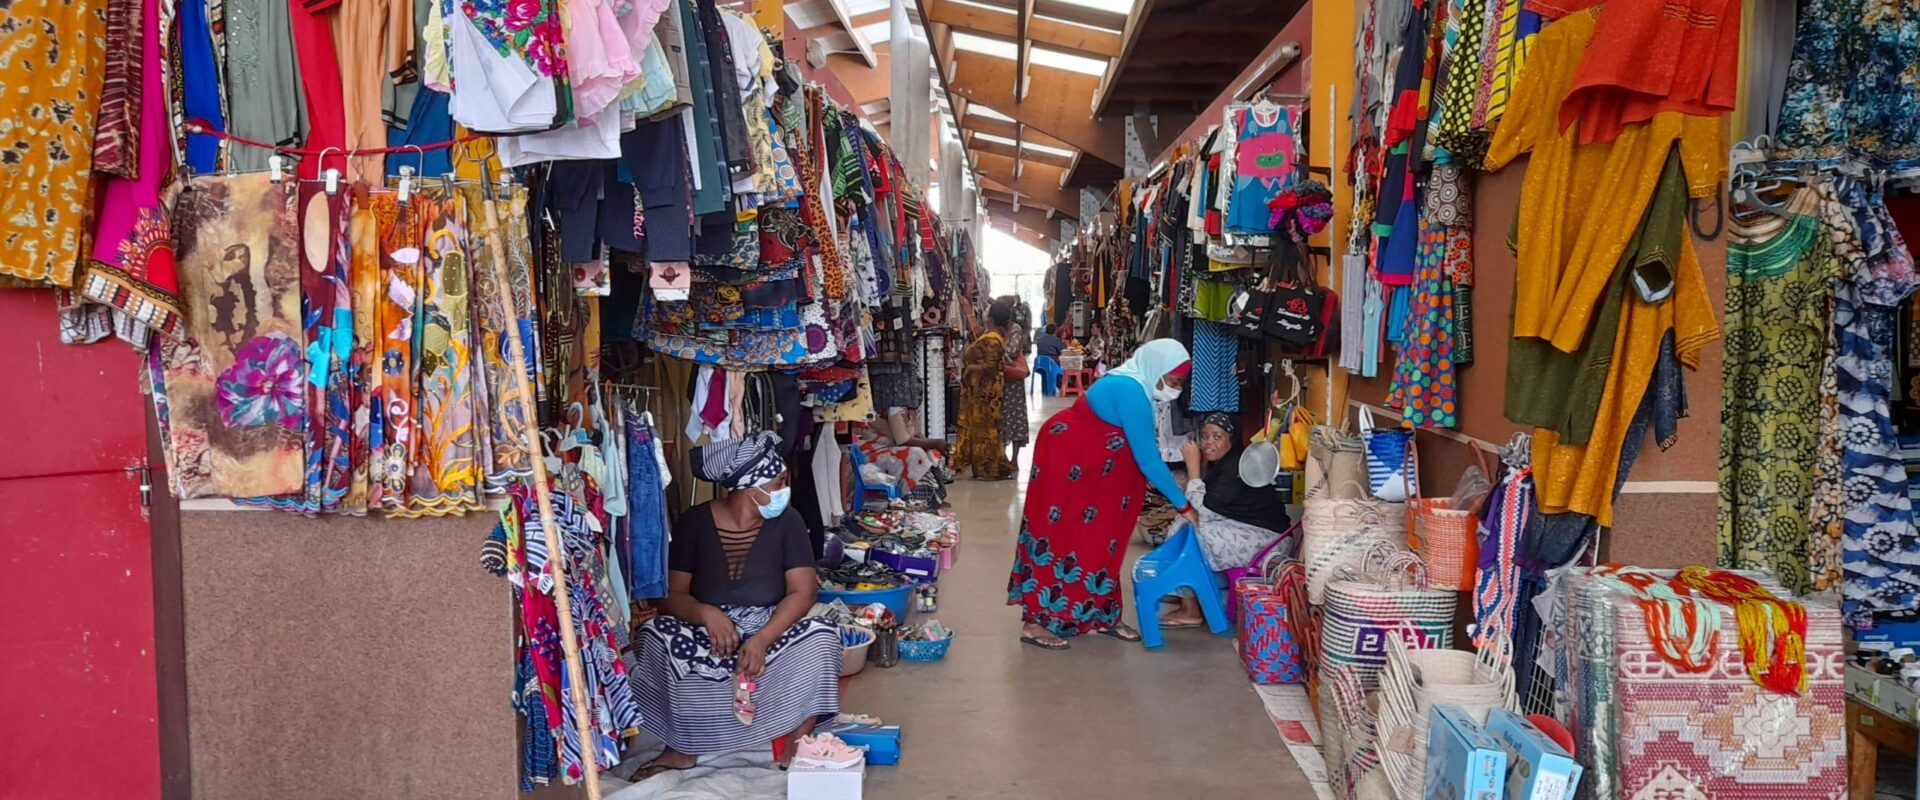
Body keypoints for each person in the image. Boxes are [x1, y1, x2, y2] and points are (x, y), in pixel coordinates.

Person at [628, 432, 842, 779]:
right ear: (749, 487)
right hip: (705, 632)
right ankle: (681, 747)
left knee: (823, 635)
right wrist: (706, 614)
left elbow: (802, 593)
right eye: (779, 482)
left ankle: (796, 741)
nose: (784, 490)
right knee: (654, 634)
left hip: (768, 627)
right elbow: (668, 595)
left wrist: (762, 639)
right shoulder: (695, 523)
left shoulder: (789, 522)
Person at [1008, 339, 1198, 650]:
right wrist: (1185, 506)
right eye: (1173, 381)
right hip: (1069, 464)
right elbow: (1149, 460)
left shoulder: (1141, 386)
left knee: (1102, 538)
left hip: (1099, 472)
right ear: (1157, 369)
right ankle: (1036, 622)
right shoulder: (1131, 391)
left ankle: (1097, 615)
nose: (1174, 389)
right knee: (1057, 535)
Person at [1163, 412, 1295, 627]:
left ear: (1230, 439)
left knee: (1190, 533)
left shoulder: (1236, 468)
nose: (1208, 442)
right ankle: (1184, 589)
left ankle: (1190, 608)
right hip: (1247, 530)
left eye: (1217, 436)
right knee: (1183, 526)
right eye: (1205, 436)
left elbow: (1200, 511)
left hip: (1269, 543)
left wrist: (1193, 470)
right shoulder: (1226, 463)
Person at [953, 301, 1019, 480]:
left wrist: (971, 369)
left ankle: (991, 468)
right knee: (983, 427)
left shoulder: (992, 339)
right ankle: (985, 467)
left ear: (991, 318)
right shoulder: (992, 336)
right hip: (983, 390)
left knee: (985, 428)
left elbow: (990, 366)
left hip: (986, 392)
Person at [854, 407, 950, 506]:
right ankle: (913, 499)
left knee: (932, 454)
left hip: (892, 447)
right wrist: (934, 443)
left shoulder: (908, 410)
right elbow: (902, 439)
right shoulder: (883, 413)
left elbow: (917, 434)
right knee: (915, 454)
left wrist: (934, 446)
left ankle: (933, 498)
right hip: (873, 451)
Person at [1001, 302, 1034, 469]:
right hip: (1001, 380)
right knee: (1002, 418)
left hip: (1012, 380)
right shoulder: (999, 330)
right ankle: (1003, 457)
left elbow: (1012, 351)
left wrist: (996, 356)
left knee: (1015, 418)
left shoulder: (1014, 329)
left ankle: (1014, 459)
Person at [1034, 324, 1066, 395]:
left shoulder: (1040, 339)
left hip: (1040, 363)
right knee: (1064, 366)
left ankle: (1046, 386)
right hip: (1052, 363)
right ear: (1055, 332)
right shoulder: (1056, 340)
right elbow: (1062, 351)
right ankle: (1059, 385)